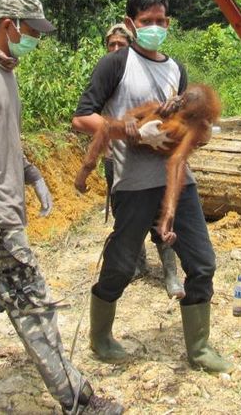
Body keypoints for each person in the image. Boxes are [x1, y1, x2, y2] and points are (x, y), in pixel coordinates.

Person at [0, 0, 123, 414]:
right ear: (8, 25)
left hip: (3, 212)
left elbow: (4, 144)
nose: (36, 37)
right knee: (34, 307)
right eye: (32, 29)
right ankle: (79, 401)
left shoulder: (7, 74)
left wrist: (33, 176)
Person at [72, 0, 232, 373]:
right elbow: (82, 118)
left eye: (161, 21)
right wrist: (133, 133)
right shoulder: (116, 64)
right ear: (132, 24)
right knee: (122, 264)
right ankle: (101, 337)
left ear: (169, 22)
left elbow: (192, 122)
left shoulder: (176, 68)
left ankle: (198, 347)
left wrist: (202, 132)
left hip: (179, 180)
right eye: (147, 22)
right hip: (133, 183)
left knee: (203, 262)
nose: (155, 28)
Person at [101, 23, 184, 299]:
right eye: (111, 45)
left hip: (152, 159)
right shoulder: (109, 73)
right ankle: (138, 264)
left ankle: (171, 273)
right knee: (125, 217)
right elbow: (97, 118)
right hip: (118, 159)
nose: (115, 49)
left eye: (120, 45)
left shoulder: (151, 74)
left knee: (158, 214)